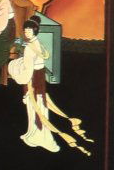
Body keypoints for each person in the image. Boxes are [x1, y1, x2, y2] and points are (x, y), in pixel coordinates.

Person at [8, 16, 93, 155]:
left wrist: (15, 70)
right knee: (39, 105)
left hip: (33, 78)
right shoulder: (36, 43)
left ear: (35, 31)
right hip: (38, 76)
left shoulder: (30, 47)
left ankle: (39, 136)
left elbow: (27, 70)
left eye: (29, 31)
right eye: (26, 30)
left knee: (36, 106)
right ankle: (35, 134)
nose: (27, 33)